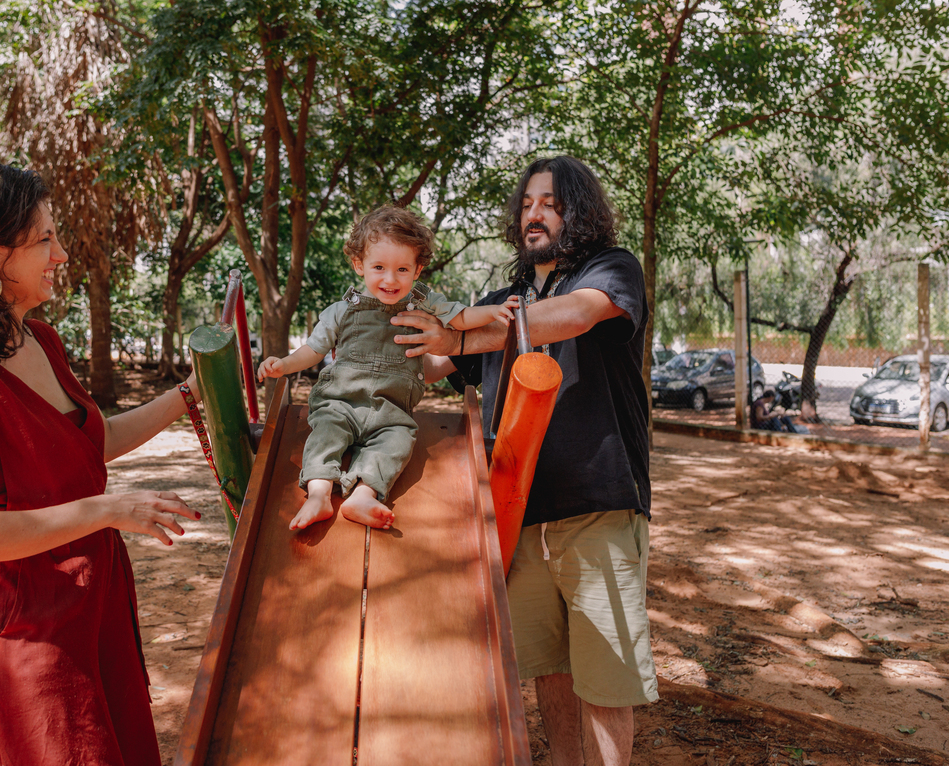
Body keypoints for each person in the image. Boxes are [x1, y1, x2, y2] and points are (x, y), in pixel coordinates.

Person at [0, 162, 200, 766]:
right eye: (45, 240)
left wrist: (187, 396)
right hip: (21, 646)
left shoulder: (40, 341)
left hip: (90, 614)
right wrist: (107, 510)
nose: (61, 255)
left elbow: (87, 444)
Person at [392, 156, 658, 766]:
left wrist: (462, 333)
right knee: (549, 667)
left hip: (598, 503)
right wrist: (359, 336)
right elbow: (427, 364)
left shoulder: (611, 269)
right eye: (528, 203)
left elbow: (578, 314)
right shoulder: (496, 303)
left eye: (551, 203)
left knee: (606, 675)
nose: (534, 214)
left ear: (579, 212)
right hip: (515, 512)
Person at [257, 205, 520, 531]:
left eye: (402, 269)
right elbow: (313, 350)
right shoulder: (341, 311)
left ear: (417, 269)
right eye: (379, 267)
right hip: (340, 403)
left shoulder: (424, 303)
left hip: (391, 411)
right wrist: (283, 364)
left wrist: (493, 311)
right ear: (359, 265)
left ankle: (363, 496)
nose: (390, 279)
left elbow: (462, 317)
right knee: (324, 434)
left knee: (397, 442)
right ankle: (319, 494)